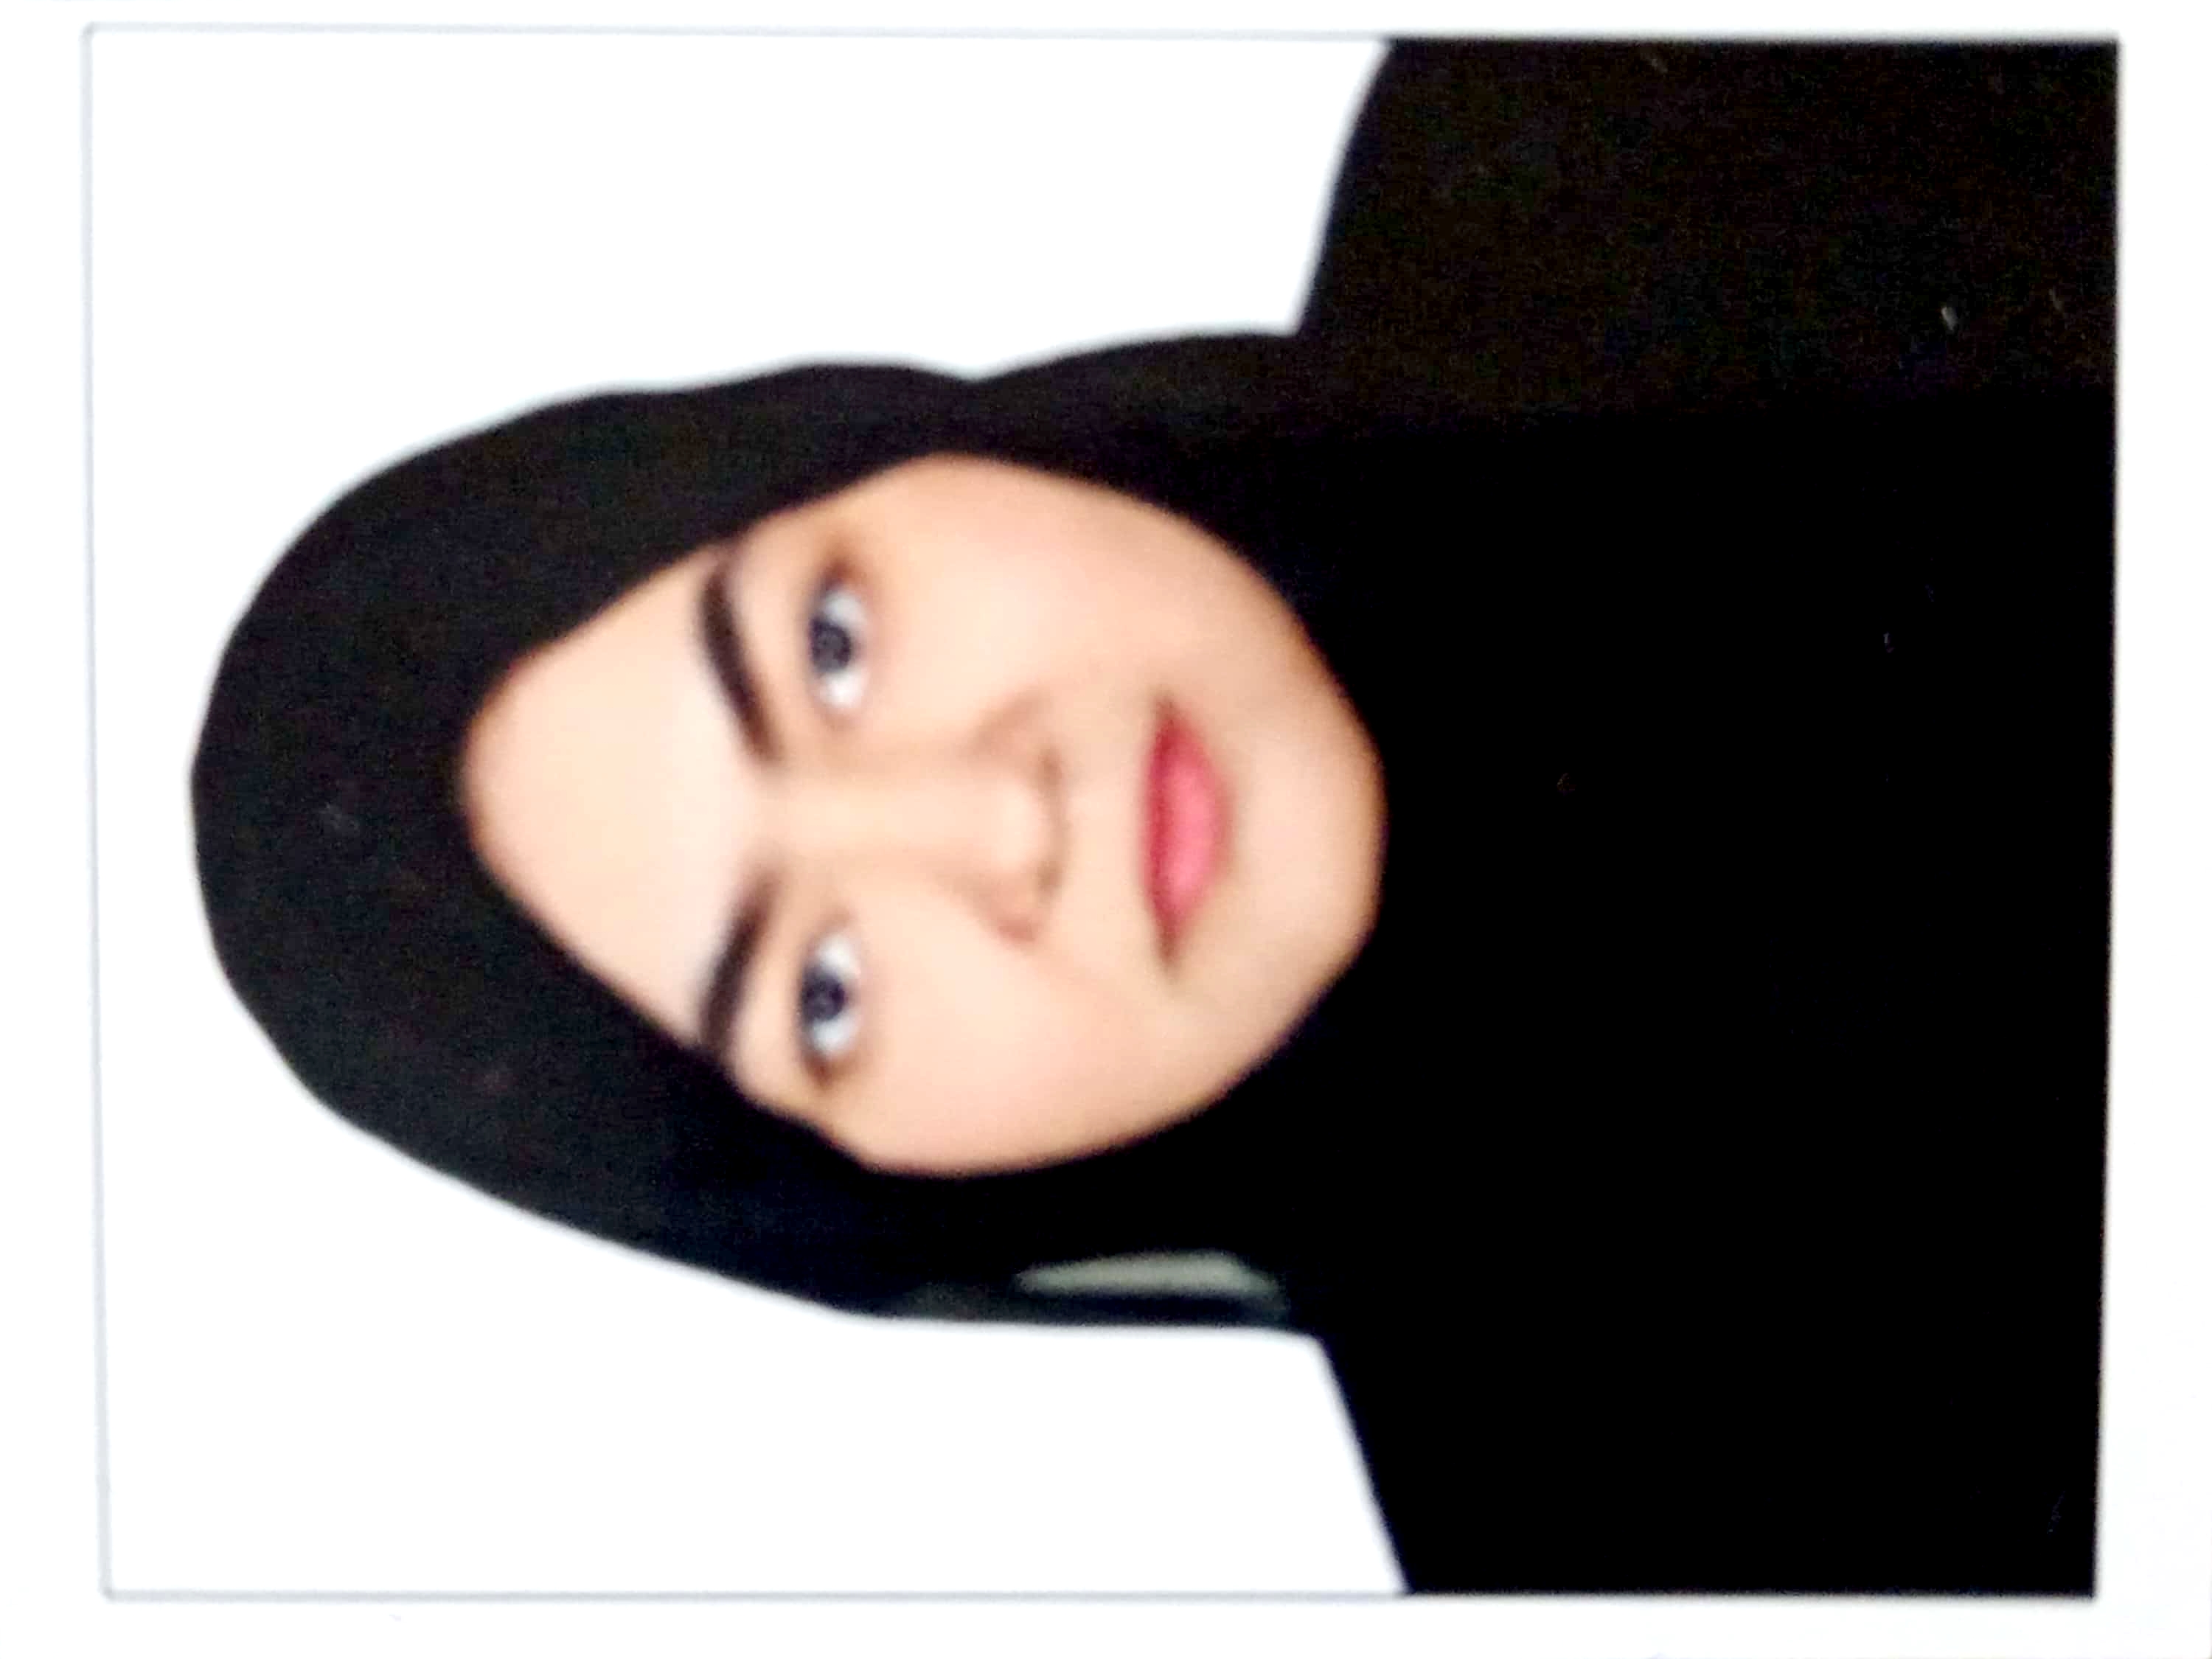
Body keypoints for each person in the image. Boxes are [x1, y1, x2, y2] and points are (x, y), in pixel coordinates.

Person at [191, 41, 2113, 1591]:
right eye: (826, 994)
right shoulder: (1651, 1561)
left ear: (908, 451)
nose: (997, 825)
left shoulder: (1614, 107)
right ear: (888, 1191)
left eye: (832, 644)